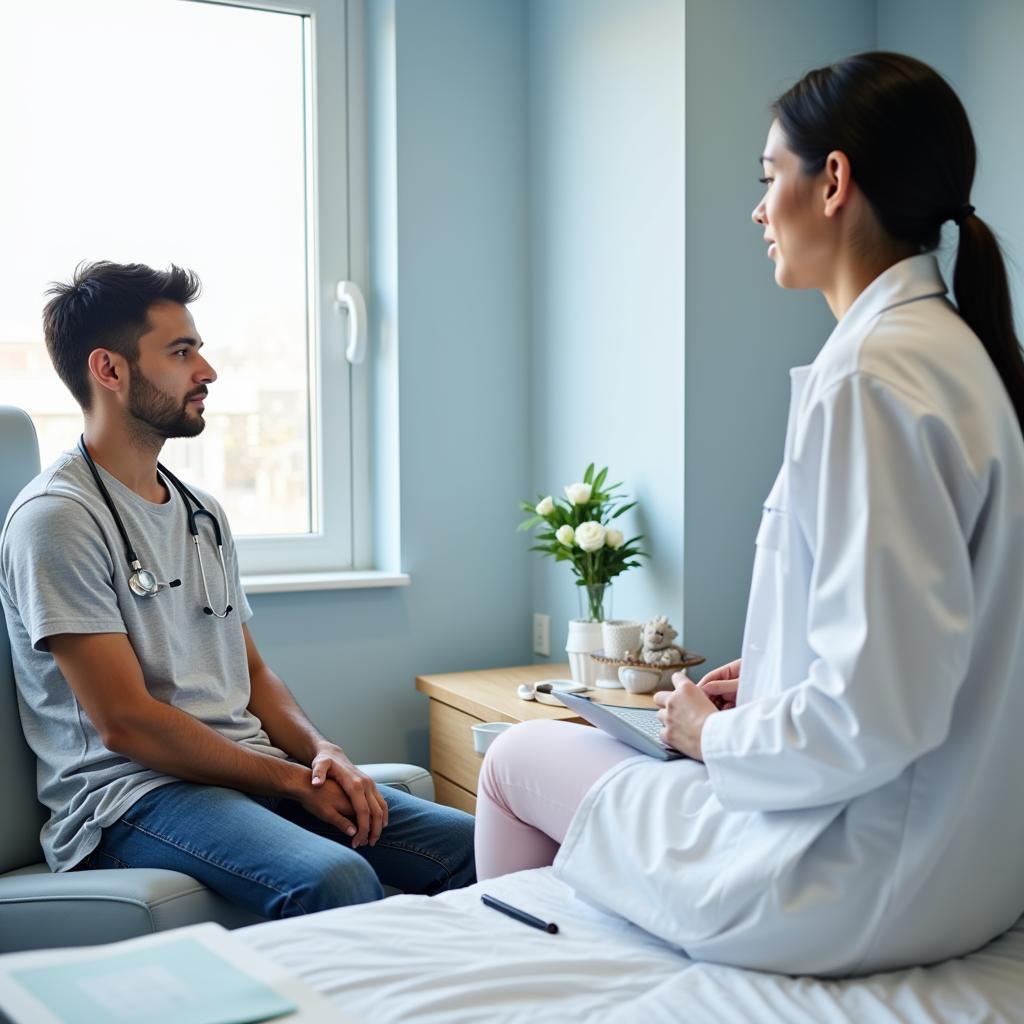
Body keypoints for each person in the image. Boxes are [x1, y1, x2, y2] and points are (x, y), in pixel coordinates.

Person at [474, 52, 1024, 977]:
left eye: (771, 178)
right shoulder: (956, 359)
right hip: (968, 870)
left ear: (834, 180)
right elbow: (927, 647)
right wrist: (774, 673)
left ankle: (537, 987)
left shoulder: (874, 376)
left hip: (851, 884)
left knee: (516, 756)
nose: (760, 210)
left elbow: (876, 713)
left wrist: (708, 734)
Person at [0, 261, 475, 918]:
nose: (208, 370)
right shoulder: (56, 519)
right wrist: (290, 781)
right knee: (334, 878)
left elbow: (249, 669)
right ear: (109, 370)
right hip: (131, 799)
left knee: (483, 846)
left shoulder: (201, 512)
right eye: (181, 351)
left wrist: (320, 751)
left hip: (241, 768)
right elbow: (126, 724)